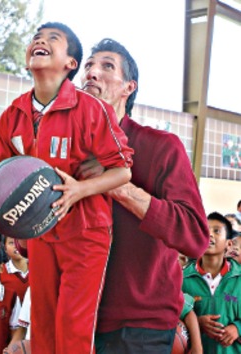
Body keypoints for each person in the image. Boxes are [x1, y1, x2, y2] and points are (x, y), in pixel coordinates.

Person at [0, 23, 133, 354]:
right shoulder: (13, 114)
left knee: (73, 331)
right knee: (44, 330)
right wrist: (7, 218)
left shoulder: (92, 109)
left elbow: (122, 171)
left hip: (86, 232)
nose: (40, 41)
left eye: (53, 39)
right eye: (37, 37)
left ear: (70, 64)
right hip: (39, 231)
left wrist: (79, 189)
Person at [77, 38, 210, 353]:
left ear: (129, 87)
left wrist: (119, 186)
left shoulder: (162, 147)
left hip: (139, 327)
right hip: (75, 317)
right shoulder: (67, 151)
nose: (92, 73)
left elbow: (195, 236)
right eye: (88, 66)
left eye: (107, 66)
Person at [182, 211, 241, 353]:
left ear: (229, 244)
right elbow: (171, 319)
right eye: (205, 230)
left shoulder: (239, 277)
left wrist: (237, 328)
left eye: (217, 231)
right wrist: (196, 324)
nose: (210, 235)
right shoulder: (182, 279)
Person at [0, 236, 29, 303]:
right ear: (5, 248)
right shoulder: (0, 272)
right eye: (11, 243)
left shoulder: (36, 268)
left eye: (20, 241)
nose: (16, 246)